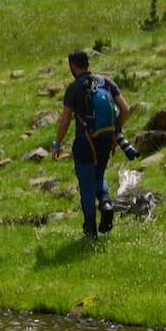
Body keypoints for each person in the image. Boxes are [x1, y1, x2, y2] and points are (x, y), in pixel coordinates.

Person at [51, 49, 132, 239]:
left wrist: (56, 144)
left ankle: (90, 231)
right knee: (99, 176)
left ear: (73, 66)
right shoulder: (107, 82)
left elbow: (65, 121)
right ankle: (106, 204)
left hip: (84, 142)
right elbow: (126, 109)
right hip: (105, 140)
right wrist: (115, 129)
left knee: (86, 183)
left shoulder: (74, 88)